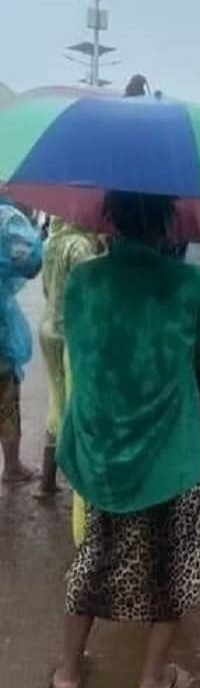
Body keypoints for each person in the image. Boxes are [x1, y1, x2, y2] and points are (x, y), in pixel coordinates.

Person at [51, 192, 200, 688]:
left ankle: (67, 671)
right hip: (172, 454)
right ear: (169, 222)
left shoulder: (84, 280)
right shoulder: (187, 283)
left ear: (112, 218)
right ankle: (150, 680)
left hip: (101, 448)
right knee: (175, 566)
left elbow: (77, 347)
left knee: (96, 556)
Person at [38, 219, 103, 495]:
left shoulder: (51, 242)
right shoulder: (80, 247)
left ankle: (47, 481)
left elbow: (45, 288)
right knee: (78, 403)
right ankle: (81, 484)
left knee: (57, 398)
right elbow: (93, 294)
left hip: (49, 328)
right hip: (72, 335)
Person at [0, 205, 43, 484]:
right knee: (5, 397)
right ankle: (12, 466)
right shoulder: (6, 220)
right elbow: (31, 262)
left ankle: (13, 466)